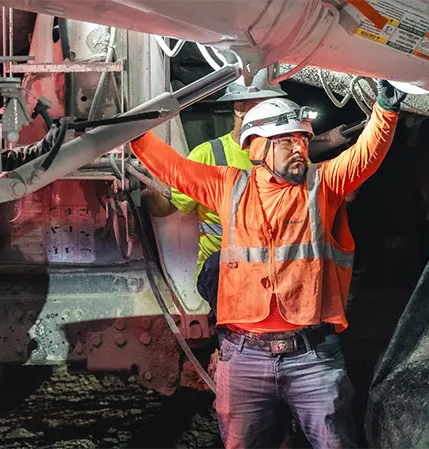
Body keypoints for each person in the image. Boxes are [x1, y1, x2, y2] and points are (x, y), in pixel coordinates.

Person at [130, 80, 406, 449]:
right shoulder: (227, 186)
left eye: (304, 141)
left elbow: (366, 154)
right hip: (243, 358)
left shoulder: (322, 185)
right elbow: (174, 168)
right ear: (258, 147)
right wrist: (133, 133)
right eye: (287, 142)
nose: (300, 150)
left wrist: (385, 112)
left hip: (312, 356)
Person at [143, 70, 286, 325]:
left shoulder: (285, 153)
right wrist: (148, 193)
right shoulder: (209, 155)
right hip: (224, 272)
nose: (272, 115)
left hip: (276, 267)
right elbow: (167, 207)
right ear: (239, 107)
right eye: (263, 105)